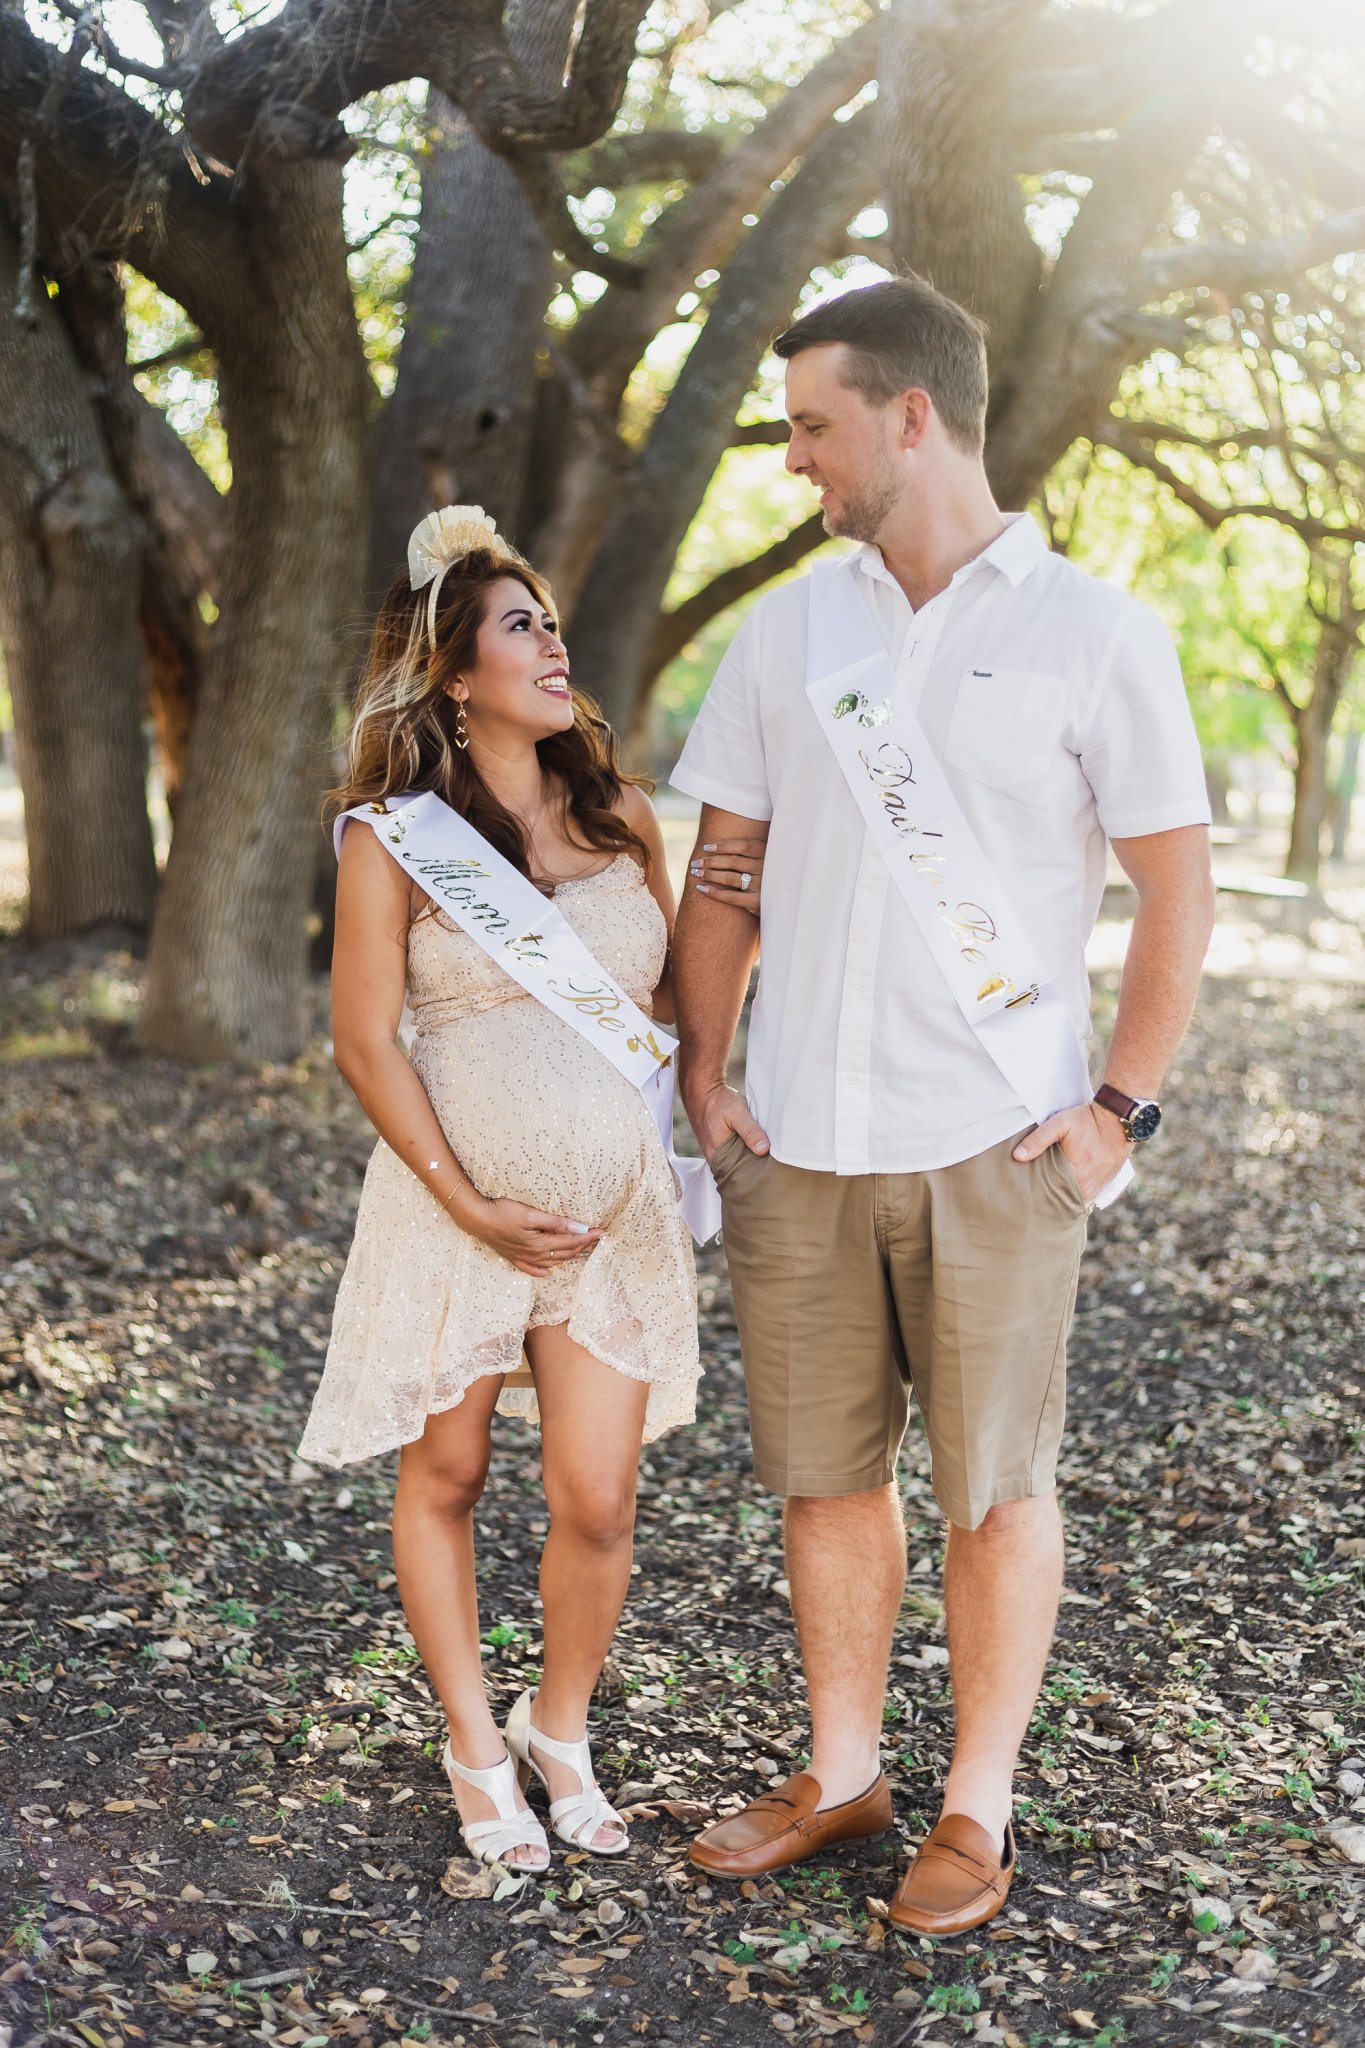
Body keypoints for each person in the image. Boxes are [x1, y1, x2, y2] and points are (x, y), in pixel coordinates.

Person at [671, 277, 1214, 1934]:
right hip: (799, 1142)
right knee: (825, 1479)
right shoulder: (788, 631)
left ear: (911, 417)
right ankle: (843, 1774)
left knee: (991, 1490)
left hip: (995, 1145)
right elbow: (723, 868)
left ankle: (974, 1806)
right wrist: (704, 1073)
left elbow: (1177, 889)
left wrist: (1117, 1108)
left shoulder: (1096, 633)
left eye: (812, 427)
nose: (791, 461)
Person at [297, 507, 761, 1872]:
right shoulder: (394, 839)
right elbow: (364, 1042)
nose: (554, 645)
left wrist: (751, 932)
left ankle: (557, 1728)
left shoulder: (622, 818)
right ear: (454, 672)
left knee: (598, 1500)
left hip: (610, 1226)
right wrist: (467, 1199)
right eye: (520, 626)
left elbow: (670, 1006)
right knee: (447, 1472)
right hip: (455, 1216)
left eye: (552, 624)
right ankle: (474, 1748)